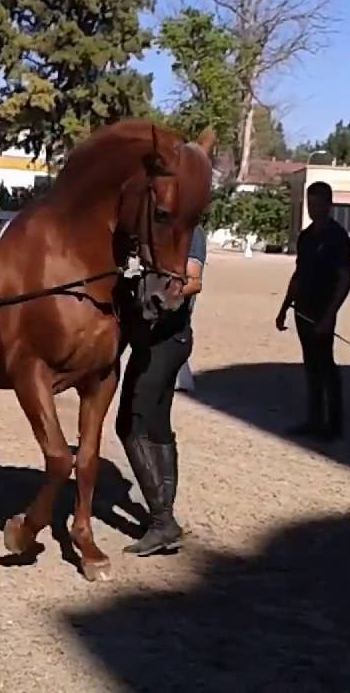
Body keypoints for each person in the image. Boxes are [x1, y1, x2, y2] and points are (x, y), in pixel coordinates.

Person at [116, 225, 207, 556]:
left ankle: (162, 521)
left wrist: (166, 295)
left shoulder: (189, 232)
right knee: (156, 426)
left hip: (167, 340)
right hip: (152, 340)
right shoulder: (146, 234)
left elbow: (194, 280)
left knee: (128, 425)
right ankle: (164, 520)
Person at [275, 181, 350, 441]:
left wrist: (330, 314)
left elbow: (345, 279)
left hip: (323, 310)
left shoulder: (338, 238)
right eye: (310, 203)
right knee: (310, 365)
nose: (313, 208)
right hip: (303, 310)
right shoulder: (306, 237)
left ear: (329, 205)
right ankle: (314, 419)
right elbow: (298, 275)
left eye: (318, 204)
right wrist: (285, 306)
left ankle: (335, 425)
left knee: (326, 365)